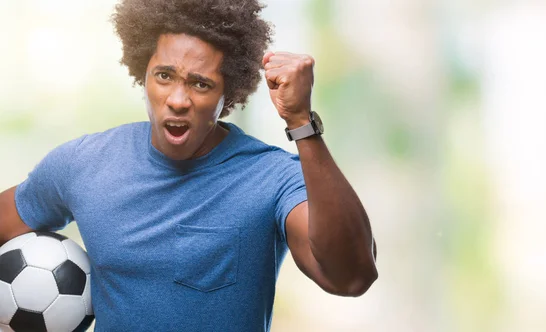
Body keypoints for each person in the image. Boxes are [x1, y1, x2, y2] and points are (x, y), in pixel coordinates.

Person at [0, 0, 378, 330]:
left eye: (200, 84)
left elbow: (351, 277)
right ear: (143, 73)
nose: (177, 100)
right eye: (164, 76)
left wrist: (301, 124)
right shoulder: (83, 163)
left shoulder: (272, 178)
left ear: (228, 92)